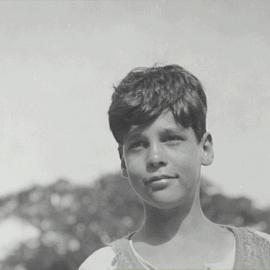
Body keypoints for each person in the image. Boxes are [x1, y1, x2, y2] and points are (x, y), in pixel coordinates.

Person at [79, 65, 270, 270]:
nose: (154, 157)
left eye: (171, 140)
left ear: (205, 148)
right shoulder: (103, 266)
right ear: (123, 161)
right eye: (138, 145)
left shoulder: (263, 254)